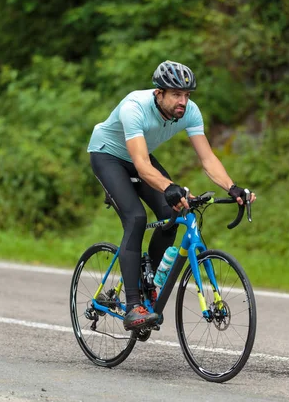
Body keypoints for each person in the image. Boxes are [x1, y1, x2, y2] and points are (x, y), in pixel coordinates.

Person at [87, 60, 256, 331]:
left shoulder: (190, 112)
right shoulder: (135, 107)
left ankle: (149, 284)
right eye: (176, 94)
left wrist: (232, 187)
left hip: (138, 157)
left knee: (173, 212)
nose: (183, 101)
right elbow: (142, 166)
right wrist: (168, 186)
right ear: (159, 93)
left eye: (187, 95)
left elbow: (208, 158)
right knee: (136, 218)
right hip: (108, 155)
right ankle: (133, 307)